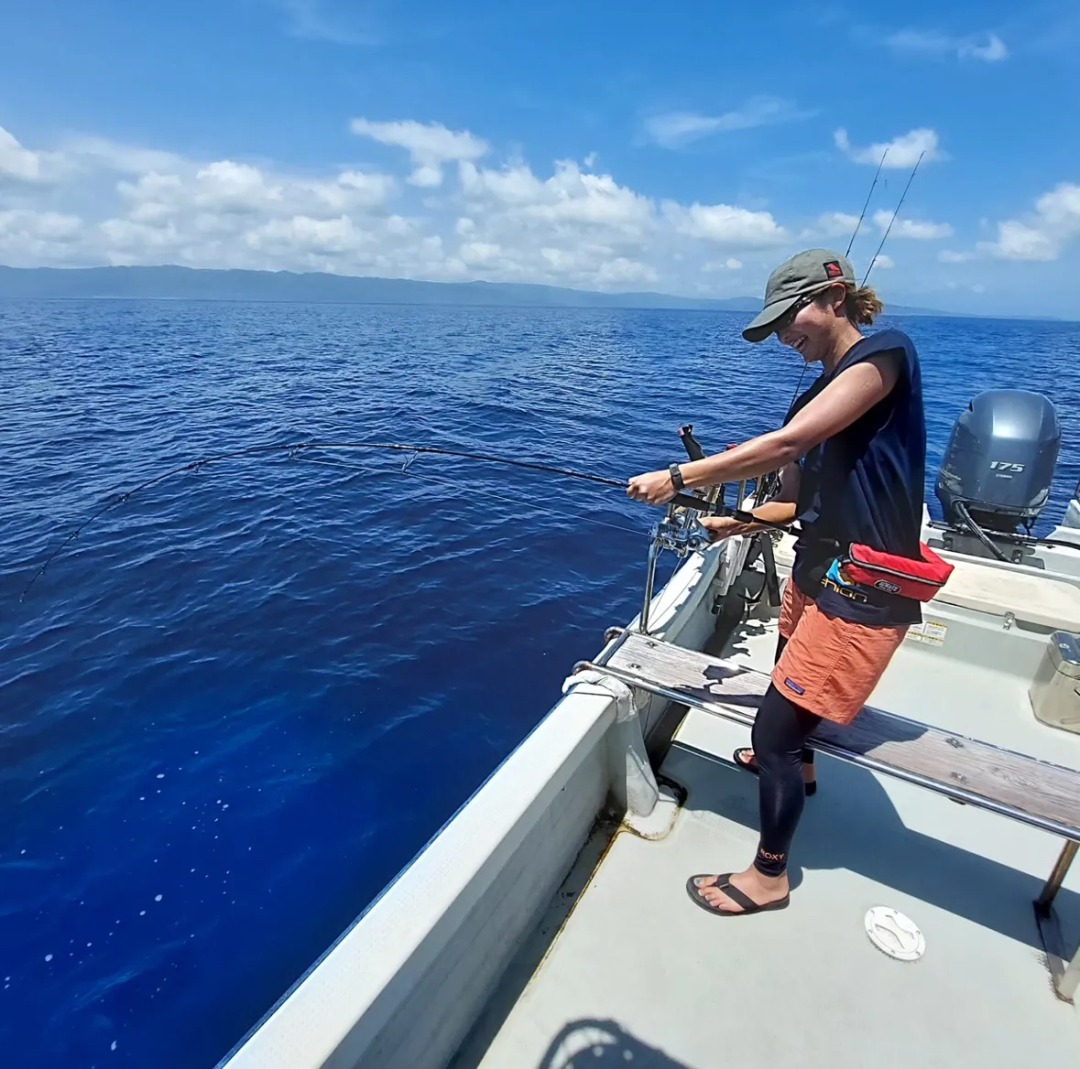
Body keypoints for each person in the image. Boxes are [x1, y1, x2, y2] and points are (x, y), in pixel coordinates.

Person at [627, 249, 926, 916]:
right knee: (789, 691)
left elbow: (788, 446)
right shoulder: (810, 396)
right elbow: (790, 501)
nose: (785, 336)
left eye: (789, 319)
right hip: (817, 574)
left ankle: (769, 876)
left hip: (864, 590)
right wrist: (730, 523)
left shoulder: (885, 357)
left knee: (773, 734)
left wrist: (678, 478)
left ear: (834, 299)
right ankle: (806, 772)